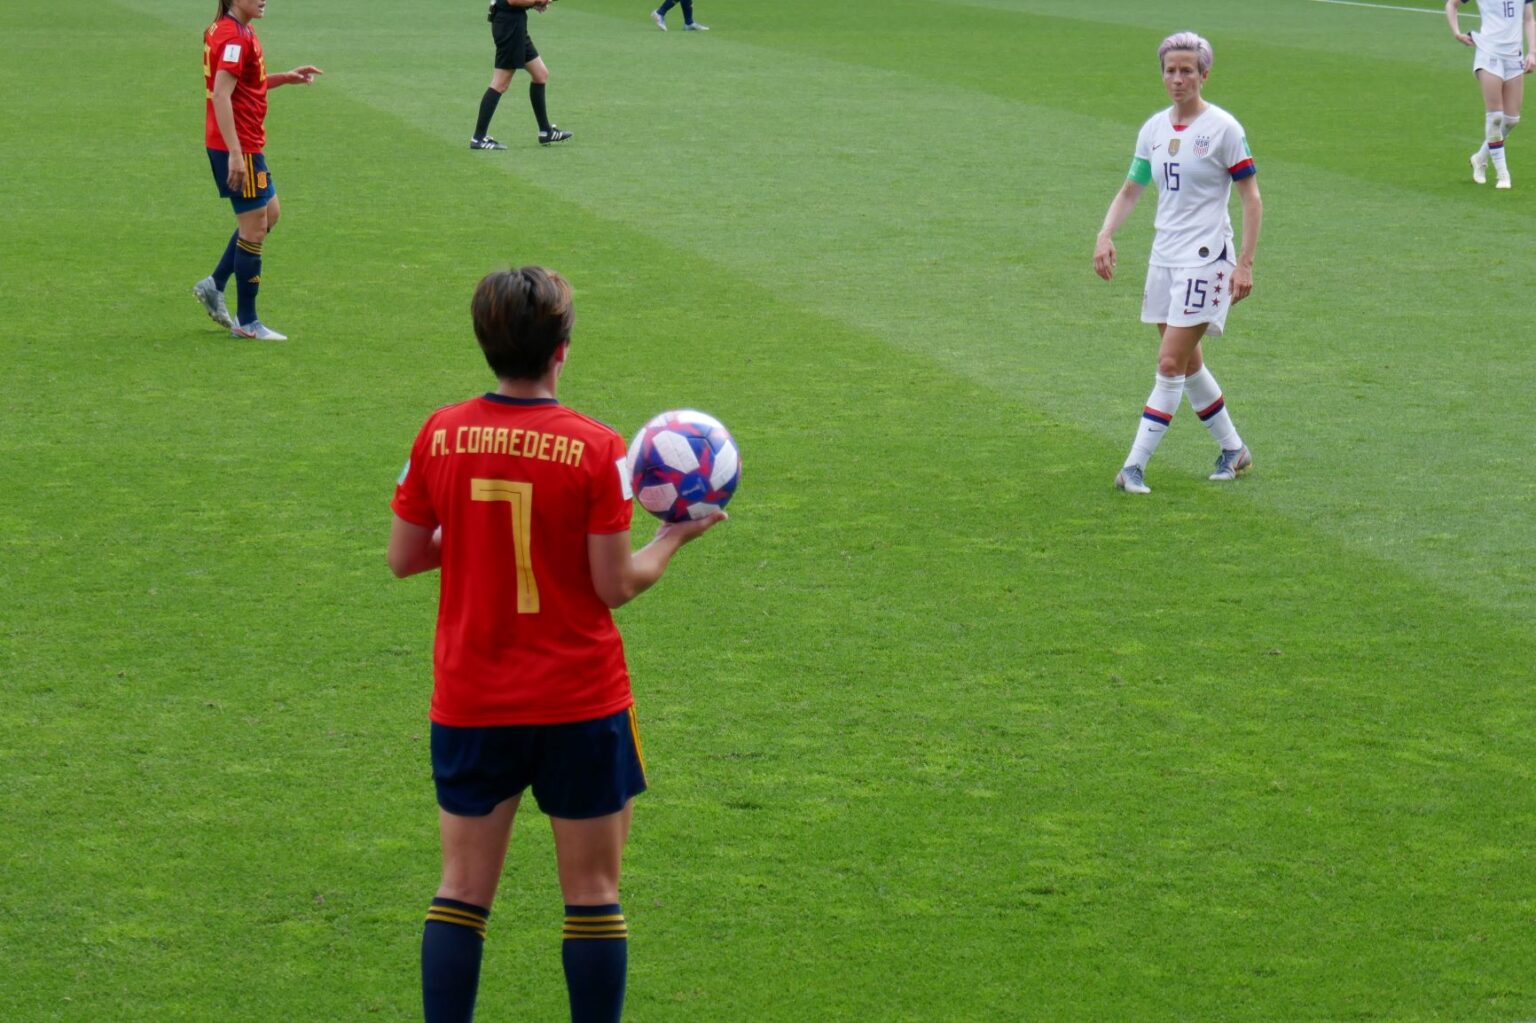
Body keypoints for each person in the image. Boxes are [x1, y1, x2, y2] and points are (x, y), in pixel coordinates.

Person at [389, 266, 726, 1023]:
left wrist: (474, 536)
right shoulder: (598, 448)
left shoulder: (438, 432)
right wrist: (674, 535)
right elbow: (616, 583)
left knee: (462, 891)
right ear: (562, 351)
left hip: (473, 698)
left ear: (485, 343)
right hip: (579, 700)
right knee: (594, 895)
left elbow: (405, 554)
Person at [1093, 31, 1263, 495]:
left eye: (1187, 70)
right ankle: (1234, 450)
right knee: (1187, 364)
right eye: (1170, 70)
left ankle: (1133, 466)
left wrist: (1244, 263)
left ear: (1204, 75)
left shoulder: (1224, 129)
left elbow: (1251, 197)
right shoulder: (1154, 129)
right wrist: (1105, 234)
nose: (1178, 78)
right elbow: (1132, 188)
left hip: (1207, 260)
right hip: (1164, 258)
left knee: (1169, 362)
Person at [193, 0, 321, 342]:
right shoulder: (235, 38)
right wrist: (235, 153)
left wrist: (283, 78)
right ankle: (247, 322)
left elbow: (244, 86)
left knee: (270, 214)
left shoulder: (231, 29)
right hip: (240, 146)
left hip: (244, 144)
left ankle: (215, 284)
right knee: (255, 228)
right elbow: (221, 95)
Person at [1447, 0, 1536, 189]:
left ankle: (1480, 157)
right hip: (1488, 53)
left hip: (1514, 57)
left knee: (1511, 120)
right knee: (1495, 117)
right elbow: (1452, 4)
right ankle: (1503, 174)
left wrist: (1533, 52)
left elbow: (1528, 19)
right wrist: (1457, 33)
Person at [472, 0, 573, 150]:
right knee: (500, 82)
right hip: (509, 27)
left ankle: (545, 131)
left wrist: (532, 4)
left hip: (515, 24)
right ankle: (478, 138)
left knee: (540, 74)